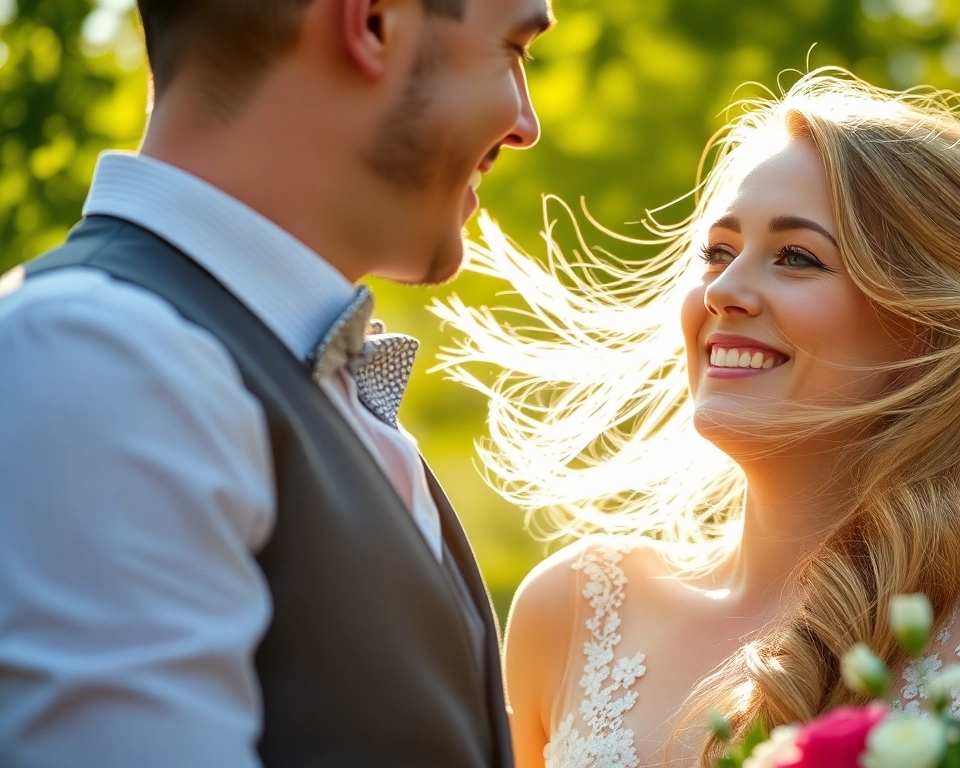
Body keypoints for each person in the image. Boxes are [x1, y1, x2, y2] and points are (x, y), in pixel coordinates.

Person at [432, 70, 960, 767]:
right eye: (718, 252)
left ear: (929, 327)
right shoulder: (572, 610)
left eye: (797, 258)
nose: (724, 291)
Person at [0, 0, 552, 765]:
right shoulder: (96, 354)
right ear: (374, 22)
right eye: (514, 51)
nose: (526, 125)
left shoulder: (292, 373)